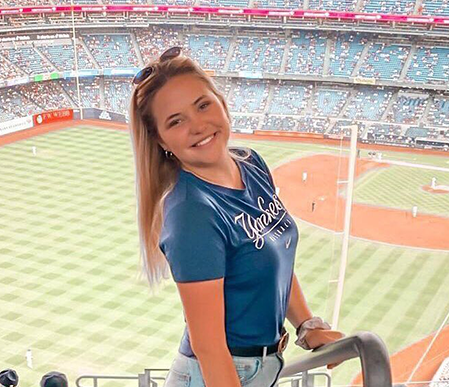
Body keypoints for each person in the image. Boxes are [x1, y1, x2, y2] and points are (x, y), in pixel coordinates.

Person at [129, 46, 344, 387]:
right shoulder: (192, 213)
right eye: (176, 121)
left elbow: (274, 257)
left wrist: (307, 326)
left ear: (221, 101)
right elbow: (210, 347)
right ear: (161, 140)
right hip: (220, 373)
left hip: (262, 365)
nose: (198, 125)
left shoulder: (251, 163)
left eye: (202, 105)